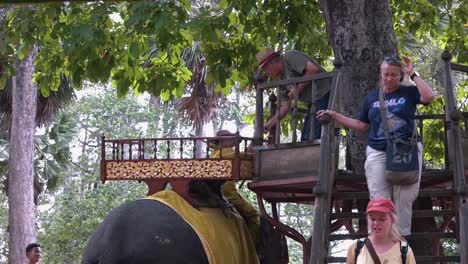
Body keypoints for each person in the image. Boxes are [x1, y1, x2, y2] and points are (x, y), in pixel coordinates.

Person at [317, 55, 434, 236]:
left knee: (404, 200)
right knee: (379, 201)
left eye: (394, 75)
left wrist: (413, 73)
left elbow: (428, 96)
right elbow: (362, 125)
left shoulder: (408, 92)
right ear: (381, 74)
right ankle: (380, 243)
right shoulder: (371, 97)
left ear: (400, 76)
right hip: (378, 152)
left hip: (406, 150)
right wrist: (335, 115)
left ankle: (400, 246)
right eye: (386, 74)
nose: (389, 78)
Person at [256, 48, 331, 141]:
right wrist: (269, 124)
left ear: (271, 63)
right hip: (314, 103)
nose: (266, 73)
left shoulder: (289, 57)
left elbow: (313, 69)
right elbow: (286, 106)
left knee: (310, 138)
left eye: (265, 69)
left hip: (325, 94)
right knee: (306, 139)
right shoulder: (281, 80)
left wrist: (297, 89)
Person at [210, 130, 260, 243]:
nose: (234, 142)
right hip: (228, 195)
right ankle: (251, 246)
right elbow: (244, 156)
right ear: (224, 140)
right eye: (232, 139)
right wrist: (258, 154)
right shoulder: (228, 152)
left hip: (213, 191)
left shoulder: (215, 152)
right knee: (253, 214)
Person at [346, 198, 416, 263]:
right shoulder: (355, 248)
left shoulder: (404, 251)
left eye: (382, 219)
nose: (376, 223)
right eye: (372, 219)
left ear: (392, 220)